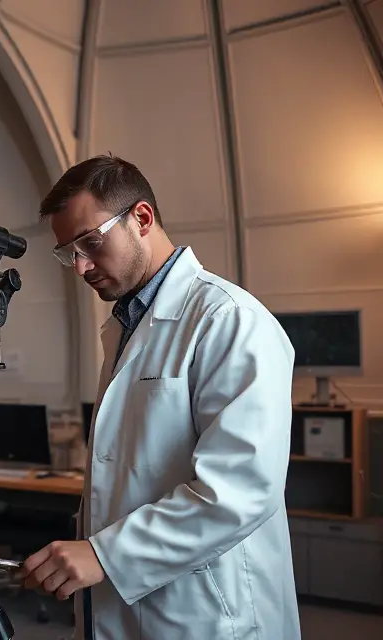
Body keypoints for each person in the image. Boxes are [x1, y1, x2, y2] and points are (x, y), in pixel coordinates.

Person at [19, 155, 301, 639]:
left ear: (142, 218)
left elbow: (240, 489)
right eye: (69, 252)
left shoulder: (229, 319)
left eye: (90, 242)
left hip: (213, 611)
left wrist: (107, 554)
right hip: (136, 601)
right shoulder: (124, 329)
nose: (81, 266)